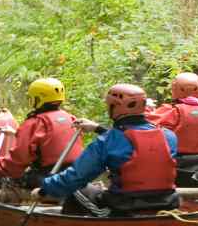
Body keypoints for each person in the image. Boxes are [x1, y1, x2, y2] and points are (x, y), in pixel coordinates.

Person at [36, 84, 179, 216]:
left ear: (114, 106)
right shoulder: (169, 136)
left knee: (78, 189)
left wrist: (44, 189)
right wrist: (97, 128)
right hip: (168, 203)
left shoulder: (106, 141)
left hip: (124, 206)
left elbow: (76, 177)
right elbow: (133, 142)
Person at [0, 77, 82, 194]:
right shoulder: (71, 118)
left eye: (32, 98)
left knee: (6, 178)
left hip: (47, 178)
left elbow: (17, 160)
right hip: (73, 175)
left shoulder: (34, 123)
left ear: (38, 99)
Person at [150, 71, 198, 186]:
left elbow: (148, 122)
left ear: (176, 90)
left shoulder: (171, 111)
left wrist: (146, 109)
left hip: (178, 164)